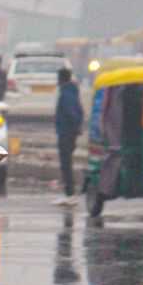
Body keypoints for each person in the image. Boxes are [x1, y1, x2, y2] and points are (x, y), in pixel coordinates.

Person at [54, 67, 83, 206]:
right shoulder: (72, 91)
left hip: (66, 133)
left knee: (66, 164)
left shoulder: (66, 94)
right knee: (67, 163)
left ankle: (70, 194)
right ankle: (69, 193)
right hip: (69, 133)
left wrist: (72, 129)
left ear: (61, 79)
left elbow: (71, 113)